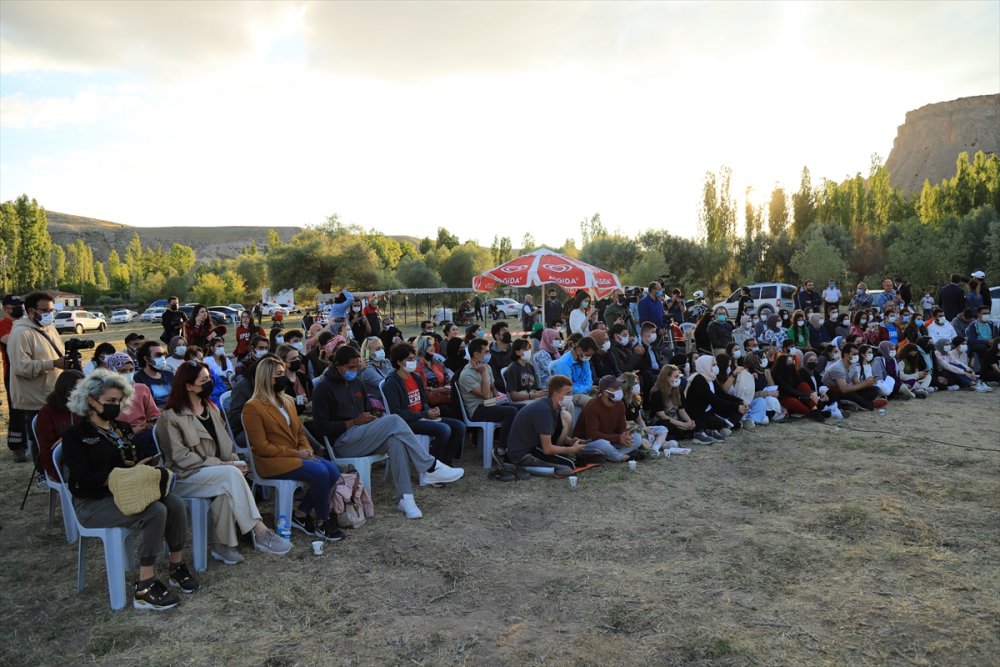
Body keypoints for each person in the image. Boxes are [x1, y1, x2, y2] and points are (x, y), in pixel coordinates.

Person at [61, 370, 197, 610]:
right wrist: (122, 476)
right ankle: (145, 585)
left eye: (118, 401)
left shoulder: (122, 428)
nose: (115, 406)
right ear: (91, 400)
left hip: (130, 492)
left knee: (173, 502)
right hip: (93, 503)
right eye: (110, 401)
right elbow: (80, 482)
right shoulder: (76, 435)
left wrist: (143, 468)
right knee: (154, 511)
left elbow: (132, 461)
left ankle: (176, 566)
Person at [157, 360, 295, 561]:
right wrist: (225, 466)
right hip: (185, 477)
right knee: (229, 475)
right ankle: (261, 531)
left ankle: (222, 545)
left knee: (226, 485)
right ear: (188, 386)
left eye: (209, 378)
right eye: (204, 380)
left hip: (215, 474)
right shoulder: (171, 417)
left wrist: (235, 461)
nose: (210, 383)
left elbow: (226, 444)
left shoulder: (211, 409)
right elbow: (181, 458)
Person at [312, 345, 463, 519]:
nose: (354, 371)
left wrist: (373, 417)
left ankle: (406, 498)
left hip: (364, 434)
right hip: (342, 442)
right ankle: (429, 466)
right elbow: (320, 428)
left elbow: (369, 409)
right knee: (394, 419)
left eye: (357, 367)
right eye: (351, 368)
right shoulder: (323, 389)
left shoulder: (356, 382)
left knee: (395, 441)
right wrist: (353, 422)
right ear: (338, 365)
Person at [241, 357, 345, 540]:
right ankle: (323, 521)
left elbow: (299, 433)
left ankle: (301, 513)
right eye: (279, 374)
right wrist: (297, 454)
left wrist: (306, 449)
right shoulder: (253, 407)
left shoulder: (287, 400)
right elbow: (262, 447)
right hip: (271, 461)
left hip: (295, 455)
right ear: (266, 377)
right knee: (320, 472)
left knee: (333, 470)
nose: (284, 378)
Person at [382, 342, 466, 466]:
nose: (413, 362)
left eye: (414, 358)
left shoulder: (416, 377)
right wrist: (424, 414)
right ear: (399, 362)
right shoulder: (392, 383)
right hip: (407, 421)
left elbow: (423, 402)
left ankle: (445, 463)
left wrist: (431, 411)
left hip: (421, 416)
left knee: (459, 426)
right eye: (409, 359)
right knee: (444, 429)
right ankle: (432, 466)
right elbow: (397, 413)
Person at [8, 291, 66, 464]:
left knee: (57, 436)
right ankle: (42, 472)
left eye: (52, 310)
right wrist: (53, 364)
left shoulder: (50, 328)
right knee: (40, 437)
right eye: (45, 311)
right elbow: (21, 367)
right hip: (34, 398)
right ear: (32, 311)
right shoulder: (20, 333)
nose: (50, 315)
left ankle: (55, 469)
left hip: (52, 393)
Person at [504, 374, 586, 472]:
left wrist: (570, 441)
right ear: (556, 394)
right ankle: (518, 467)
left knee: (574, 461)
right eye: (567, 393)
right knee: (567, 468)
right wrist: (572, 450)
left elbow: (548, 433)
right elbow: (548, 449)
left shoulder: (553, 406)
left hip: (534, 446)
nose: (570, 396)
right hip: (523, 453)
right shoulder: (544, 410)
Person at [458, 337, 521, 451]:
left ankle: (520, 444)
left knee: (521, 408)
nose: (489, 354)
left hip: (490, 403)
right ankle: (503, 448)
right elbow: (486, 395)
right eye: (486, 352)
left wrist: (500, 399)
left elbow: (493, 389)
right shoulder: (466, 374)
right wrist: (483, 373)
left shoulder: (486, 366)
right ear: (476, 354)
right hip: (478, 409)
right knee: (510, 412)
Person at [571, 375, 642, 462]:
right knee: (603, 444)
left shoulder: (620, 405)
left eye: (618, 387)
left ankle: (611, 456)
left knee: (637, 438)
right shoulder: (592, 406)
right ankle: (618, 457)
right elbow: (593, 435)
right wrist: (618, 438)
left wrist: (625, 436)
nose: (619, 390)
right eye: (615, 388)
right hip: (588, 443)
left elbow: (621, 428)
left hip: (610, 441)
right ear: (605, 392)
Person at [105, 352, 159, 456]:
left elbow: (154, 415)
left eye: (131, 370)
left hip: (145, 433)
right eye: (123, 371)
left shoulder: (141, 389)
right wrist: (131, 432)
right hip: (119, 438)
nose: (128, 374)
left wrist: (149, 425)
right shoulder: (106, 395)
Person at [34, 369, 84, 480]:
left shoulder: (82, 407)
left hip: (83, 456)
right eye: (78, 389)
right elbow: (48, 449)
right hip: (61, 463)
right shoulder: (47, 413)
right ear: (66, 390)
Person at [683, 356, 747, 441]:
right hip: (699, 415)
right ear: (705, 365)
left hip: (710, 412)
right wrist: (736, 407)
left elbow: (722, 395)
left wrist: (740, 401)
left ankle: (724, 425)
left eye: (715, 364)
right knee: (720, 421)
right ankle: (709, 429)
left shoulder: (710, 378)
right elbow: (714, 399)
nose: (715, 367)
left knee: (740, 406)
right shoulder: (699, 379)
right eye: (713, 365)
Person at [649, 365, 712, 443]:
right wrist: (682, 424)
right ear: (667, 378)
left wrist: (689, 422)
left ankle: (689, 432)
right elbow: (662, 416)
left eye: (678, 376)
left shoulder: (678, 389)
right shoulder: (657, 393)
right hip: (661, 420)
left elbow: (681, 410)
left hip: (676, 418)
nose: (678, 379)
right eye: (676, 377)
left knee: (695, 418)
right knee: (667, 426)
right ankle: (686, 434)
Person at [821, 342, 886, 411]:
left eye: (857, 354)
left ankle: (850, 404)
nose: (857, 356)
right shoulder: (837, 368)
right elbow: (844, 389)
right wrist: (865, 384)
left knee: (874, 389)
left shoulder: (852, 365)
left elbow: (857, 383)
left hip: (846, 390)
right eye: (854, 354)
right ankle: (869, 405)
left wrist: (868, 382)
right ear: (846, 355)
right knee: (852, 394)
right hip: (833, 392)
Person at [1, 294, 26, 459]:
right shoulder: (2, 325)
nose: (19, 309)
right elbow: (10, 340)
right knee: (16, 410)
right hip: (12, 372)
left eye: (20, 305)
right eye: (14, 307)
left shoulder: (24, 323)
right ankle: (17, 447)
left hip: (31, 369)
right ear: (4, 309)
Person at [771, 353, 828, 420]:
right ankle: (812, 413)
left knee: (804, 385)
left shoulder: (793, 372)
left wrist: (809, 394)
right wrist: (806, 395)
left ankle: (815, 409)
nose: (792, 363)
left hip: (796, 394)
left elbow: (799, 383)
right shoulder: (778, 375)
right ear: (783, 364)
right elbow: (788, 390)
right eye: (789, 362)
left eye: (792, 361)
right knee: (792, 401)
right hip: (784, 397)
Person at [550, 335, 599, 406]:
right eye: (588, 355)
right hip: (570, 394)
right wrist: (588, 388)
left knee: (603, 397)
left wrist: (589, 387)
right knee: (593, 404)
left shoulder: (583, 359)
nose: (589, 358)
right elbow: (568, 388)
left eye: (590, 355)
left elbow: (588, 376)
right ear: (579, 350)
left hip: (583, 389)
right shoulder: (564, 363)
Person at [274, 343, 313, 416]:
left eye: (298, 357)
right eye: (293, 358)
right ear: (283, 362)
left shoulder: (304, 377)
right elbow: (283, 409)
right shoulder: (280, 382)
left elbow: (313, 396)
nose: (297, 360)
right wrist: (304, 407)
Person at [502, 338, 546, 403]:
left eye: (529, 349)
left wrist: (543, 393)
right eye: (525, 349)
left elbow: (534, 388)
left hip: (531, 397)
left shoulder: (530, 366)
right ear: (517, 352)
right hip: (522, 400)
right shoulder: (512, 369)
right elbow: (513, 396)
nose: (528, 351)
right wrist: (531, 396)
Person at [133, 340, 175, 409]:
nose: (162, 358)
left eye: (163, 355)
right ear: (146, 358)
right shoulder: (138, 379)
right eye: (158, 355)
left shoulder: (169, 375)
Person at [359, 336, 392, 409]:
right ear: (368, 352)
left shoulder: (386, 361)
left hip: (392, 399)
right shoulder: (367, 369)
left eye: (382, 348)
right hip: (380, 405)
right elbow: (385, 384)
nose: (381, 351)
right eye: (378, 349)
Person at [966, 305, 999, 372]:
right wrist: (987, 342)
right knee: (984, 348)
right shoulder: (973, 325)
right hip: (978, 344)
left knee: (996, 347)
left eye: (988, 313)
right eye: (984, 313)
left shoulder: (992, 324)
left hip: (991, 343)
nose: (986, 315)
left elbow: (997, 336)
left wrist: (994, 341)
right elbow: (971, 340)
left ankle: (996, 368)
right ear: (978, 314)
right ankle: (987, 370)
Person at [488, 321, 514, 391]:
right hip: (503, 390)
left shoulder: (514, 350)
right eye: (505, 332)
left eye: (508, 331)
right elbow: (494, 377)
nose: (508, 334)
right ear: (497, 336)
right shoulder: (490, 355)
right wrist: (509, 388)